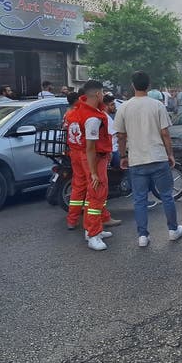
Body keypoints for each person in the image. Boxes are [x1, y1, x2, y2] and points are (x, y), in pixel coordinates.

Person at [115, 71, 182, 247]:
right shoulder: (157, 105)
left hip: (136, 159)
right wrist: (170, 154)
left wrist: (123, 156)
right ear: (148, 85)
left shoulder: (124, 107)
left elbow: (121, 136)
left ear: (132, 85)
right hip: (158, 157)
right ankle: (173, 230)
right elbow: (165, 133)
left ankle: (143, 236)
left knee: (139, 199)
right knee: (167, 196)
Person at [65, 80, 119, 251]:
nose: (104, 96)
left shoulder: (83, 111)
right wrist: (94, 172)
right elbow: (90, 147)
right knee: (96, 194)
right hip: (94, 159)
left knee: (91, 193)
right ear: (97, 94)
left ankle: (93, 229)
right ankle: (93, 234)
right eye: (102, 93)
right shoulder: (92, 118)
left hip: (88, 156)